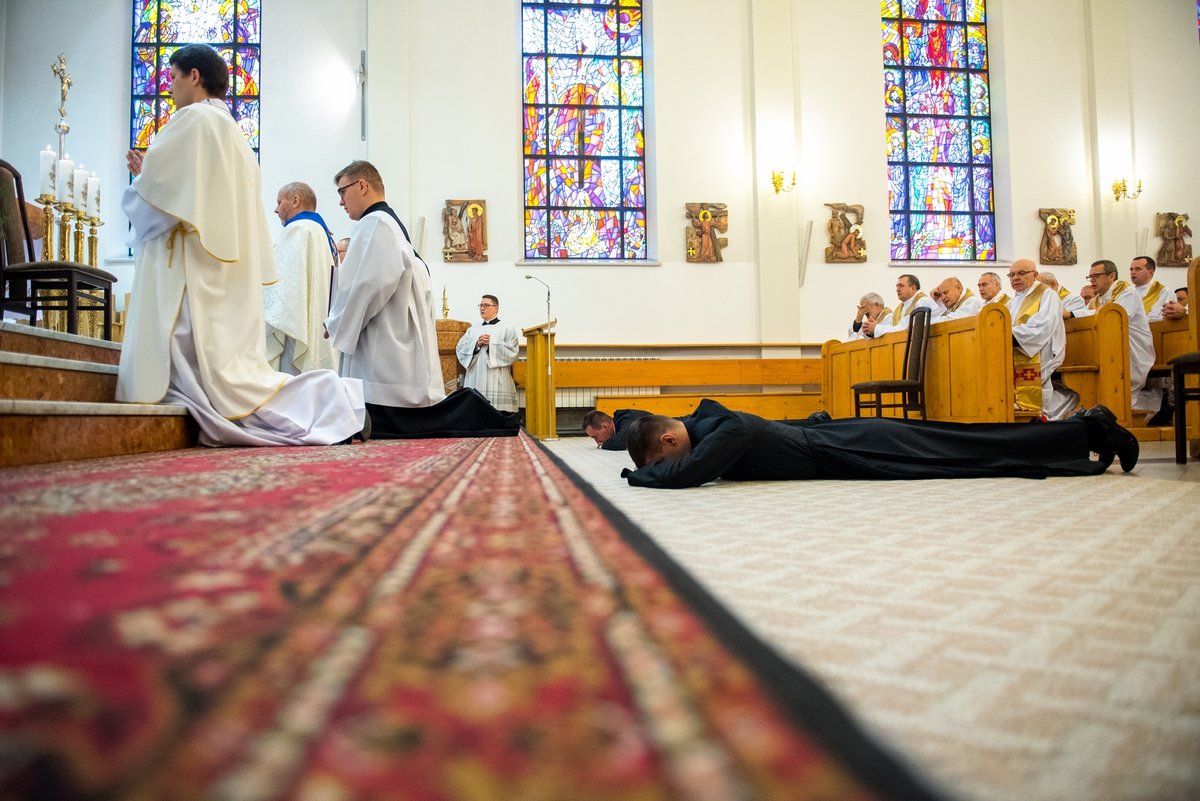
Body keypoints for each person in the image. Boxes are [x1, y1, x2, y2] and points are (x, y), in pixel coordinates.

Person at [118, 44, 365, 447]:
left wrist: (144, 180)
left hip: (191, 271)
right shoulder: (234, 135)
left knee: (215, 378)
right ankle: (329, 401)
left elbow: (159, 201)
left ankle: (329, 401)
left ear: (195, 76)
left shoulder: (193, 120)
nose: (170, 87)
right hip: (224, 273)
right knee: (230, 373)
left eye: (174, 77)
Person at [620, 399, 1137, 489]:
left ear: (669, 437)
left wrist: (641, 475)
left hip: (852, 446)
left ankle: (1090, 429)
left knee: (973, 452)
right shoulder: (708, 422)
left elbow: (689, 474)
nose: (677, 461)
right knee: (970, 447)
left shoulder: (724, 430)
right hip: (841, 440)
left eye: (667, 455)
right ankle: (1084, 432)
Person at [326, 160, 445, 424]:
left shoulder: (374, 223)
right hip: (396, 340)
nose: (341, 202)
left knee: (378, 419)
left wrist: (335, 322)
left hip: (383, 352)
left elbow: (366, 286)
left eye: (342, 192)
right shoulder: (390, 223)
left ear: (362, 186)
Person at [263, 181, 339, 375]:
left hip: (297, 330)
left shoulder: (298, 229)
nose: (276, 209)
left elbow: (283, 287)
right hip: (320, 327)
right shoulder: (323, 233)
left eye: (279, 202)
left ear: (295, 200)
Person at [1075, 259, 1154, 413]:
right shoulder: (1096, 300)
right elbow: (1087, 317)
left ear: (1111, 276)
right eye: (1090, 277)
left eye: (1096, 276)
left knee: (1126, 396)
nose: (1092, 280)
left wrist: (1072, 313)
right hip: (1109, 353)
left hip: (1132, 351)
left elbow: (1113, 318)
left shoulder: (1127, 292)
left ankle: (1143, 413)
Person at [1007, 259, 1077, 419]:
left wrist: (1010, 335)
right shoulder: (1013, 302)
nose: (1015, 278)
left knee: (1038, 393)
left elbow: (1043, 326)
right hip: (1020, 348)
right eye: (1011, 275)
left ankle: (1066, 404)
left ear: (1035, 274)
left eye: (1021, 273)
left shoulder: (1047, 294)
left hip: (1041, 349)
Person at [455, 294, 519, 412]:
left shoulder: (507, 328)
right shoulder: (472, 330)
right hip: (476, 375)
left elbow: (513, 351)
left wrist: (492, 343)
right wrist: (476, 345)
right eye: (480, 305)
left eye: (486, 305)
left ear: (496, 308)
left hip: (497, 377)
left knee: (497, 412)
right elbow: (460, 349)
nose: (482, 308)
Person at [862, 274, 938, 337]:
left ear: (913, 288)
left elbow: (906, 327)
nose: (897, 289)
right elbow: (894, 328)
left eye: (901, 286)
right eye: (897, 286)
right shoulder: (899, 308)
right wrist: (874, 328)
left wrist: (877, 328)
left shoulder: (923, 302)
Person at [1128, 255, 1172, 321]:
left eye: (1138, 269)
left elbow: (1159, 317)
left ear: (1150, 272)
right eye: (1131, 269)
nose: (1133, 272)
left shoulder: (1163, 291)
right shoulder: (1128, 291)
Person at [583, 408, 651, 450]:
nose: (597, 442)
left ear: (604, 427)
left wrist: (603, 445)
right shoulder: (620, 422)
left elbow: (620, 443)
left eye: (595, 437)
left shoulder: (628, 419)